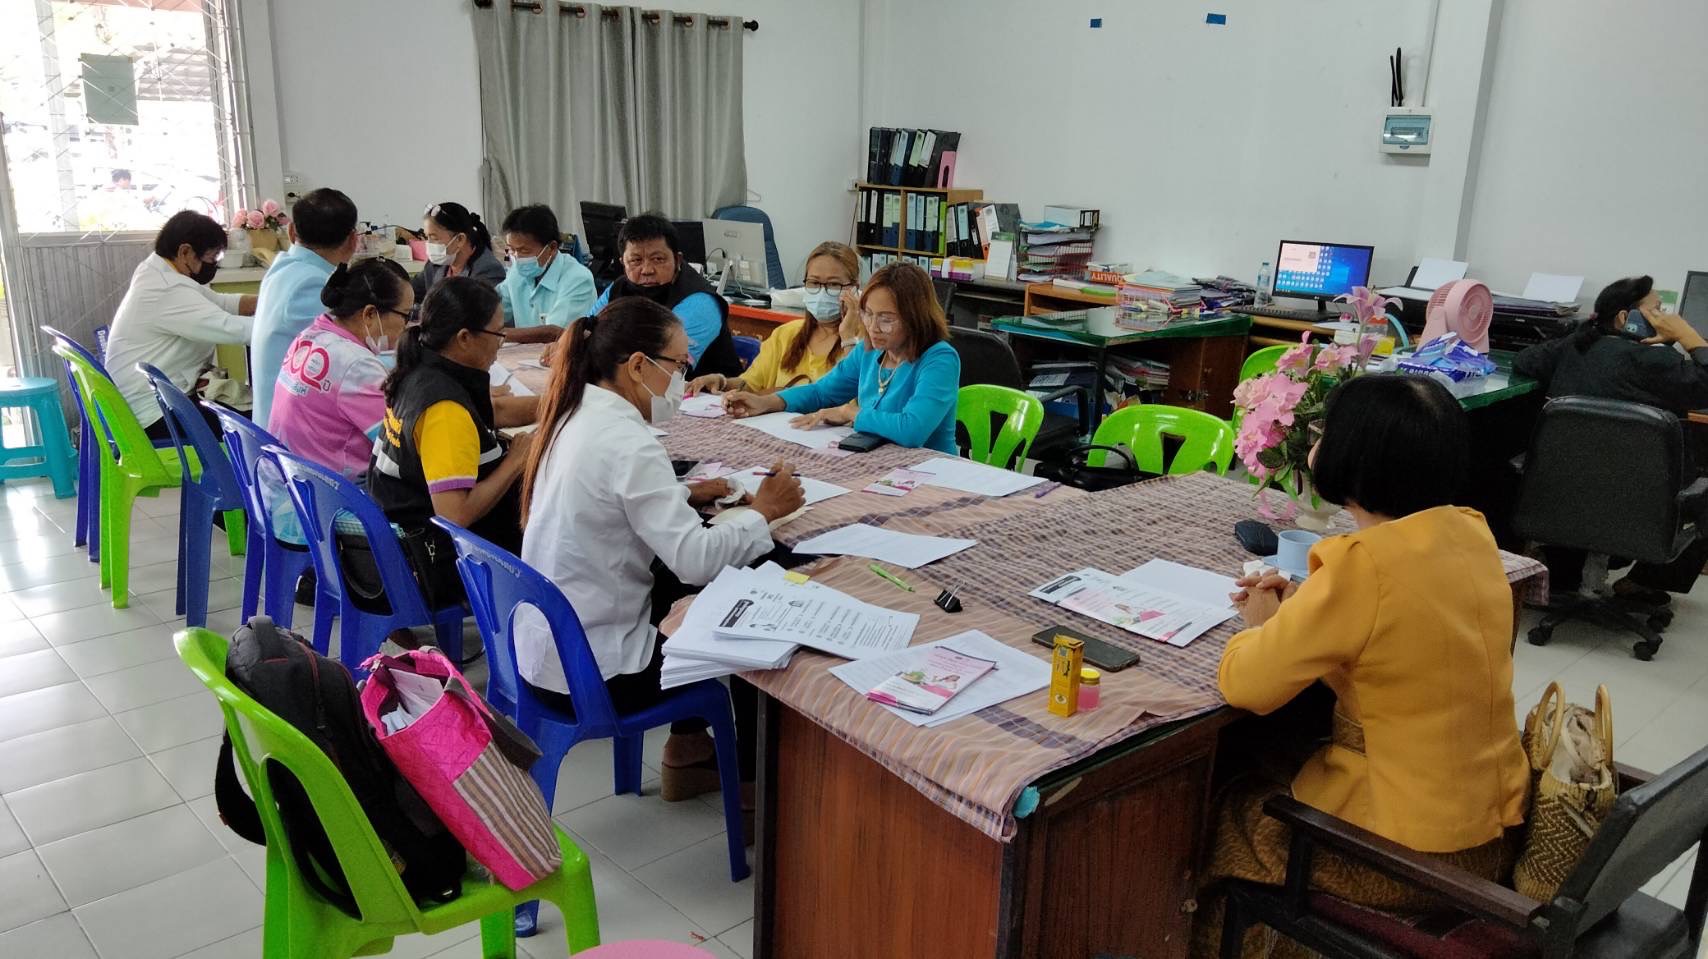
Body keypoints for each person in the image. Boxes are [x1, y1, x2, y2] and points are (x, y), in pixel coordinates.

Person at [1191, 374, 1528, 959]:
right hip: (1490, 827)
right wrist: (1301, 609)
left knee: (1220, 815)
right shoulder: (1470, 535)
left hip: (1408, 853)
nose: (1315, 445)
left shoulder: (1363, 565)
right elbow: (1401, 633)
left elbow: (1246, 685)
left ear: (1357, 458)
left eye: (1323, 434)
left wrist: (1262, 625)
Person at [518, 295, 805, 804]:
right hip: (599, 671)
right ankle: (753, 788)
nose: (683, 376)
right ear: (637, 366)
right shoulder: (628, 441)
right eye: (678, 363)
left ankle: (689, 753)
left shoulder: (573, 412)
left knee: (682, 593)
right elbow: (695, 559)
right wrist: (763, 511)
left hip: (548, 650)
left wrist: (686, 493)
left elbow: (610, 500)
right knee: (751, 612)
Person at [1515, 275, 1708, 598]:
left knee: (1589, 469)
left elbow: (1525, 360)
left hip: (1558, 497)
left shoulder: (1573, 348)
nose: (1666, 317)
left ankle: (1564, 570)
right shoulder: (1658, 362)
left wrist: (1585, 333)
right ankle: (1644, 582)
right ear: (1624, 318)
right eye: (1658, 310)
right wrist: (1689, 336)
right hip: (1638, 506)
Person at [368, 277, 532, 600]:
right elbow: (454, 515)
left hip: (401, 531)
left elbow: (493, 410)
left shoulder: (422, 369)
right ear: (465, 338)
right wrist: (515, 462)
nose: (501, 342)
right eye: (498, 334)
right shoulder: (444, 410)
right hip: (438, 558)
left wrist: (557, 404)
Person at [723, 262, 961, 453]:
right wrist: (767, 402)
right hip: (878, 463)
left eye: (887, 319)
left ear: (915, 318)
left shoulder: (939, 359)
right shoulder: (869, 351)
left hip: (931, 472)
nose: (873, 327)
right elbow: (821, 392)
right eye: (867, 314)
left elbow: (912, 430)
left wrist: (850, 413)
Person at [105, 210, 256, 438]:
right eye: (211, 258)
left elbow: (222, 303)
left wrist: (269, 302)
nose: (213, 266)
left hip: (152, 401)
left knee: (247, 411)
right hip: (154, 416)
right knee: (253, 425)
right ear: (185, 251)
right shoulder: (166, 289)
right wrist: (291, 325)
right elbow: (232, 329)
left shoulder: (159, 271)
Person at [688, 241, 863, 394]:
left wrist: (848, 337)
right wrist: (721, 382)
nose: (822, 292)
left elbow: (860, 397)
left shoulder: (868, 340)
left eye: (834, 284)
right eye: (814, 283)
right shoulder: (787, 334)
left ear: (855, 288)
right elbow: (750, 384)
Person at [584, 213, 742, 379]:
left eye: (658, 259)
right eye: (636, 261)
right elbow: (587, 333)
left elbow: (661, 368)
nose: (647, 270)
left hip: (705, 398)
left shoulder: (700, 301)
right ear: (623, 263)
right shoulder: (619, 287)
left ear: (677, 259)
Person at [250, 188, 359, 428]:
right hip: (288, 443)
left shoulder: (284, 269)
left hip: (269, 427)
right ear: (354, 240)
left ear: (291, 231)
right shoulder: (313, 284)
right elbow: (355, 358)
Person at [497, 204, 596, 344]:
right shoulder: (516, 273)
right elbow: (494, 310)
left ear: (552, 248)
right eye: (512, 250)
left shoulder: (578, 279)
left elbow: (554, 333)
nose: (517, 258)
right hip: (525, 358)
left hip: (566, 359)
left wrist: (495, 334)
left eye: (524, 251)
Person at [413, 201, 505, 299]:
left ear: (460, 239)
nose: (428, 244)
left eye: (434, 238)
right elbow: (410, 292)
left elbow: (480, 312)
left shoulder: (487, 270)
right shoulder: (435, 265)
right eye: (427, 237)